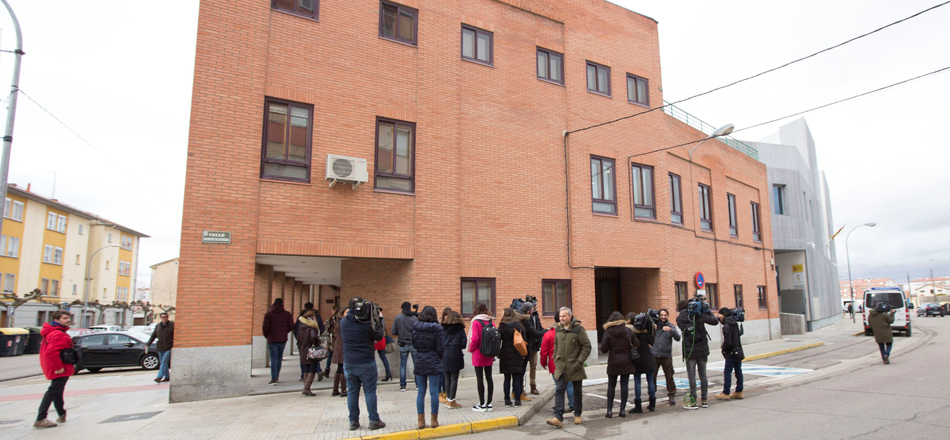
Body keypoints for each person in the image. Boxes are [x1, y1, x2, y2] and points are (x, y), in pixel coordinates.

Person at [339, 297, 386, 431]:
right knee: (370, 391)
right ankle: (374, 420)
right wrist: (380, 320)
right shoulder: (366, 324)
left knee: (352, 392)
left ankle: (353, 421)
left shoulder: (343, 323)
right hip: (366, 362)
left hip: (349, 362)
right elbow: (379, 335)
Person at [546, 307, 591, 428]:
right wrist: (555, 357)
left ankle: (577, 414)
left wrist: (579, 361)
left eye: (564, 316)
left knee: (577, 390)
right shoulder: (558, 330)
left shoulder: (578, 329)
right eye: (560, 316)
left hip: (575, 365)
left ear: (570, 316)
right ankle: (558, 417)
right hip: (561, 365)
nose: (561, 319)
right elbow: (556, 345)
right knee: (560, 389)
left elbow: (586, 346)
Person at [676, 298, 719, 409]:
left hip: (690, 351)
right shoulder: (699, 315)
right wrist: (706, 309)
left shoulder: (679, 318)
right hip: (702, 349)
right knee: (703, 375)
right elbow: (714, 321)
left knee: (692, 376)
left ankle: (693, 400)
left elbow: (683, 330)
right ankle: (704, 400)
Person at [35, 311, 75, 428]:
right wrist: (59, 368)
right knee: (53, 391)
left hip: (56, 366)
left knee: (58, 390)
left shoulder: (53, 332)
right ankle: (41, 418)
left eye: (68, 318)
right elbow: (52, 352)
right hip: (59, 367)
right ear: (56, 320)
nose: (68, 320)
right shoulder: (58, 334)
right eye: (65, 318)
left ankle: (61, 413)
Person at [412, 306, 445, 429]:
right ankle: (434, 420)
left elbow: (414, 344)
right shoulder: (438, 329)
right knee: (434, 391)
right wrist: (440, 358)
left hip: (420, 359)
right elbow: (440, 347)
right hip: (433, 359)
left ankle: (421, 421)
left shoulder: (416, 327)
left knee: (421, 391)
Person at [599, 311, 636, 418]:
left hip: (613, 361)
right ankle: (622, 410)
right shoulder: (628, 331)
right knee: (624, 385)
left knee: (611, 385)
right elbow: (636, 343)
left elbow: (604, 349)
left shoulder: (608, 332)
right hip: (626, 361)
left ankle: (609, 411)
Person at [541, 315, 574, 413]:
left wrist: (543, 363)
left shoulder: (549, 334)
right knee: (570, 385)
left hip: (555, 364)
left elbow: (544, 351)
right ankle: (573, 405)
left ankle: (559, 407)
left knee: (559, 386)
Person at [467, 302, 495, 412]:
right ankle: (489, 403)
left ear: (475, 310)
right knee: (489, 377)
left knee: (480, 378)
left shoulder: (475, 322)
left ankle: (482, 403)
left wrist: (471, 349)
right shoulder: (491, 321)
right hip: (489, 352)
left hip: (479, 352)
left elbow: (474, 339)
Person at [498, 308, 527, 407]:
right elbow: (524, 339)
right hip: (517, 352)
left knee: (507, 378)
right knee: (517, 378)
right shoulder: (518, 325)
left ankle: (507, 399)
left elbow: (499, 340)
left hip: (505, 353)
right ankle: (518, 400)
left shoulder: (502, 326)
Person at [262, 298, 295, 385]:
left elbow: (265, 327)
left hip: (272, 339)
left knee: (273, 358)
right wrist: (284, 332)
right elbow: (291, 325)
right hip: (282, 339)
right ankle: (277, 376)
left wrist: (267, 335)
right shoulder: (287, 314)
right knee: (279, 358)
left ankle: (273, 377)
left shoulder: (268, 314)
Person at [651, 308, 681, 405]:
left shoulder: (670, 326)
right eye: (661, 315)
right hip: (655, 355)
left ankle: (671, 395)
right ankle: (652, 395)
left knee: (669, 376)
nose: (663, 317)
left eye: (665, 315)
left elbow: (678, 337)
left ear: (667, 316)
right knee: (652, 376)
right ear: (658, 316)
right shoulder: (654, 326)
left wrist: (671, 330)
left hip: (666, 355)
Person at [715, 308, 745, 400]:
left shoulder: (727, 326)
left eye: (719, 314)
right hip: (738, 350)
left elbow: (728, 341)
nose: (718, 316)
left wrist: (723, 349)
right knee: (738, 371)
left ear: (723, 315)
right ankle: (739, 391)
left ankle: (726, 392)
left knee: (728, 371)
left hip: (731, 352)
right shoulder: (734, 323)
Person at [629, 312, 656, 413]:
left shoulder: (632, 333)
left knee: (637, 383)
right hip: (648, 359)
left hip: (637, 360)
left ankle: (638, 406)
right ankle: (652, 405)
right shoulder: (645, 333)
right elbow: (652, 342)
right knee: (651, 382)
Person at [441, 311, 466, 409]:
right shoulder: (460, 329)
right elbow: (464, 343)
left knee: (446, 377)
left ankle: (448, 399)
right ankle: (452, 400)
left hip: (445, 353)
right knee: (454, 378)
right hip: (456, 353)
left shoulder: (443, 329)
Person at [392, 301, 419, 392]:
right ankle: (418, 384)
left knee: (403, 365)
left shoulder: (398, 318)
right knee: (416, 364)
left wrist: (400, 334)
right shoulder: (414, 318)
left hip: (403, 343)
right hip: (413, 343)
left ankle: (403, 386)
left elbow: (393, 331)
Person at [520, 302, 545, 396]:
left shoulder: (536, 316)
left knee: (533, 366)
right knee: (523, 367)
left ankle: (533, 385)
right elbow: (532, 332)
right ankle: (521, 386)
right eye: (534, 307)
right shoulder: (524, 318)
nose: (535, 308)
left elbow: (539, 327)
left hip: (535, 344)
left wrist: (542, 331)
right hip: (527, 344)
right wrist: (544, 331)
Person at [294, 302, 324, 381]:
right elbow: (322, 328)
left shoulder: (301, 320)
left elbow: (295, 330)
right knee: (314, 358)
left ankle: (304, 377)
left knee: (304, 360)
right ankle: (318, 370)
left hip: (303, 344)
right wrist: (319, 340)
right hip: (313, 344)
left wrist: (299, 340)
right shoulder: (316, 318)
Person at [296, 309, 322, 396]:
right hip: (311, 349)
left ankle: (305, 387)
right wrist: (318, 342)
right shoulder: (312, 327)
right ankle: (307, 387)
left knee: (306, 368)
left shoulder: (301, 326)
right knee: (313, 369)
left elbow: (298, 337)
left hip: (303, 349)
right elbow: (314, 337)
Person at [146, 312, 174, 383]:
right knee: (162, 363)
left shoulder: (172, 325)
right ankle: (167, 376)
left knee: (164, 361)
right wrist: (148, 344)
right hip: (160, 347)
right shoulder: (158, 326)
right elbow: (153, 336)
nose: (165, 318)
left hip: (169, 346)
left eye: (166, 317)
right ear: (161, 318)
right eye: (163, 317)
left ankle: (159, 376)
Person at [329, 306, 347, 397]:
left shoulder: (337, 321)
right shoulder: (343, 322)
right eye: (346, 312)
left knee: (339, 368)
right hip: (342, 346)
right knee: (342, 367)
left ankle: (335, 389)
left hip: (338, 345)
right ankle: (343, 389)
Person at [374, 305, 393, 382]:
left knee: (371, 359)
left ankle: (373, 375)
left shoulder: (373, 318)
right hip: (382, 338)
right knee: (383, 358)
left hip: (374, 340)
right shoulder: (382, 317)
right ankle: (388, 373)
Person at [320, 305, 339, 381]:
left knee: (330, 354)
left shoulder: (332, 319)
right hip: (337, 339)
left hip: (332, 339)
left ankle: (327, 370)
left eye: (332, 310)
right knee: (339, 355)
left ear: (335, 310)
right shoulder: (340, 318)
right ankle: (339, 370)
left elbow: (327, 327)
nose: (331, 311)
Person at [438, 307, 452, 402]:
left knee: (447, 374)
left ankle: (446, 391)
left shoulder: (451, 326)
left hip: (447, 351)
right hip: (441, 351)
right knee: (441, 373)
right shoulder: (440, 325)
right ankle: (440, 392)